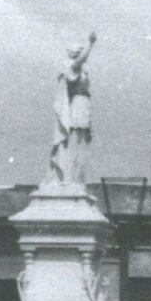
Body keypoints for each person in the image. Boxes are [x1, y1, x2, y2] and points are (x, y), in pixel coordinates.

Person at [51, 31, 98, 186]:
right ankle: (69, 178)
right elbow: (78, 63)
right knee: (74, 142)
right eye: (78, 51)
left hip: (83, 104)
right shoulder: (69, 66)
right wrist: (90, 45)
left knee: (82, 143)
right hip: (75, 104)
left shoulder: (82, 70)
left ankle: (77, 179)